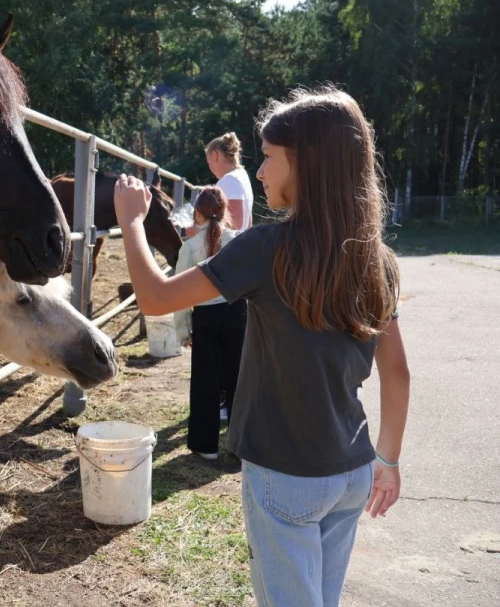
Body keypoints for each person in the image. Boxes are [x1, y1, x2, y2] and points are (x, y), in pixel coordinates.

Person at [114, 87, 410, 607]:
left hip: (285, 473)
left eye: (270, 158)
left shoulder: (265, 249)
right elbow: (398, 373)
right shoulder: (378, 259)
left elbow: (156, 299)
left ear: (307, 165)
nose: (259, 173)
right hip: (353, 470)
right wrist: (388, 458)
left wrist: (132, 222)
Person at [171, 186, 244, 460]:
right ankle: (240, 445)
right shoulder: (237, 240)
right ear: (225, 212)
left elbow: (178, 293)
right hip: (237, 313)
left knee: (205, 381)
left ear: (197, 213)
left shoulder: (189, 248)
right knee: (238, 379)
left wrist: (183, 331)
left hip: (204, 318)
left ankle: (205, 446)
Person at [182, 132, 255, 239]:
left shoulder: (229, 180)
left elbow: (235, 224)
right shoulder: (241, 175)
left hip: (229, 249)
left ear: (215, 156)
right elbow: (247, 221)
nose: (209, 167)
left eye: (208, 162)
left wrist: (198, 230)